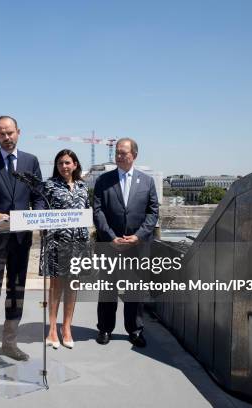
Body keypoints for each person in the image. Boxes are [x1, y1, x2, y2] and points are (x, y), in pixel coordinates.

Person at [0, 115, 45, 367]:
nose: (7, 137)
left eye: (10, 133)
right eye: (2, 134)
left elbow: (38, 195)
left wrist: (36, 215)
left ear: (18, 132)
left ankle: (10, 343)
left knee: (16, 290)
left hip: (20, 239)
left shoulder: (31, 161)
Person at [93, 138, 159, 348]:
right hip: (110, 243)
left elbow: (152, 212)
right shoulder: (104, 180)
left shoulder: (147, 181)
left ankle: (135, 330)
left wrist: (138, 236)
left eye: (124, 153)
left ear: (134, 155)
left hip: (137, 245)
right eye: (118, 153)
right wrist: (111, 236)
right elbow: (98, 211)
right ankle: (104, 328)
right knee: (107, 288)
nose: (119, 156)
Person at [39, 149, 90, 350]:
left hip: (78, 243)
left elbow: (87, 211)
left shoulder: (83, 187)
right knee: (56, 286)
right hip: (56, 242)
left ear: (75, 164)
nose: (64, 166)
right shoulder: (49, 185)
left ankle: (66, 327)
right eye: (60, 163)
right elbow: (41, 209)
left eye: (68, 162)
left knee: (72, 286)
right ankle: (52, 328)